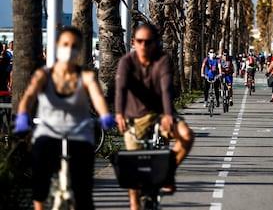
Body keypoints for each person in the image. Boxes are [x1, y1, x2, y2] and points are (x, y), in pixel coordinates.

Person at [14, 26, 115, 210]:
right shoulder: (43, 75)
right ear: (57, 45)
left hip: (79, 133)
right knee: (40, 175)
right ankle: (39, 206)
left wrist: (105, 115)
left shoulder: (86, 76)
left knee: (83, 190)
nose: (69, 49)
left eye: (74, 45)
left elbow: (97, 97)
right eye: (65, 44)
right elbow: (28, 97)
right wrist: (22, 114)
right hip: (48, 131)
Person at [115, 23, 194, 210]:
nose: (144, 46)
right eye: (140, 41)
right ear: (134, 42)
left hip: (161, 114)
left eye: (148, 42)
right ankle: (135, 204)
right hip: (135, 116)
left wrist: (168, 115)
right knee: (133, 164)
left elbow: (166, 88)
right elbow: (121, 89)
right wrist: (119, 114)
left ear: (156, 43)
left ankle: (166, 172)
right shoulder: (126, 62)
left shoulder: (162, 60)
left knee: (186, 136)